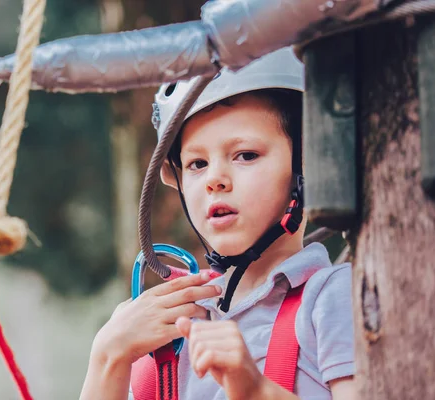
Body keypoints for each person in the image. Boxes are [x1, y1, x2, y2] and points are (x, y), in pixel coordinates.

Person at [80, 46, 355, 400]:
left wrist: (255, 390)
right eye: (197, 164)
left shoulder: (332, 299)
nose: (215, 180)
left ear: (307, 165)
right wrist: (108, 358)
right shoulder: (162, 336)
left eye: (245, 155)